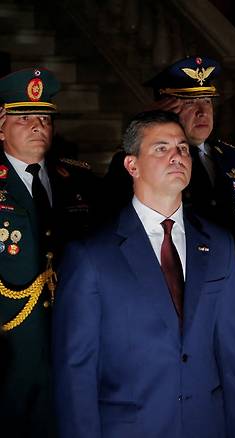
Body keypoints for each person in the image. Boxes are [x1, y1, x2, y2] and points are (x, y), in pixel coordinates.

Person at [52, 110, 235, 438]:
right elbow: (76, 376)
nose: (177, 155)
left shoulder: (219, 245)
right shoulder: (90, 256)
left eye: (183, 148)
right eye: (161, 148)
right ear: (132, 165)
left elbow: (234, 361)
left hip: (208, 425)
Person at [103, 56, 235, 350]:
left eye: (207, 101)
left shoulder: (232, 158)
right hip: (174, 295)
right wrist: (145, 129)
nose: (202, 111)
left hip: (229, 294)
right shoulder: (151, 162)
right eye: (189, 103)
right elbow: (115, 200)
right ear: (166, 110)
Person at [0, 67, 97, 437]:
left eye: (44, 117)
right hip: (12, 346)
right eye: (24, 118)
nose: (38, 125)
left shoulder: (79, 180)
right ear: (1, 127)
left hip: (70, 337)